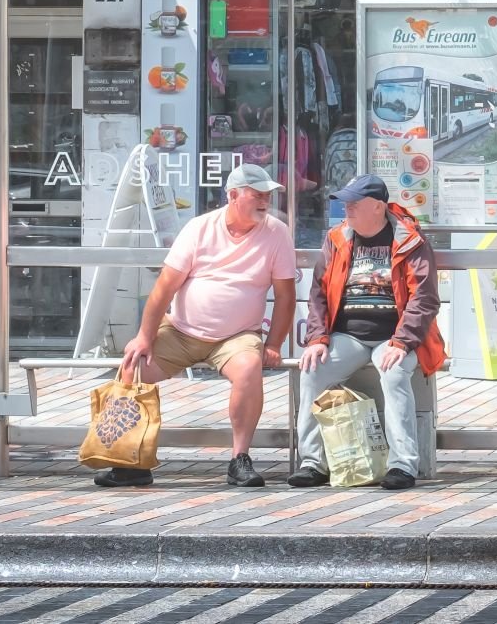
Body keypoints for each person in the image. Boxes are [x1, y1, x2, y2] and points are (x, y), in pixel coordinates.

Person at [114, 161, 297, 489]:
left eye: (267, 195)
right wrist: (144, 336)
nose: (265, 201)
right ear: (233, 195)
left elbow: (286, 296)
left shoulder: (277, 232)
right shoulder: (199, 228)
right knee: (133, 367)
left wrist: (273, 344)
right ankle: (132, 462)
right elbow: (164, 288)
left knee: (248, 368)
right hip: (181, 331)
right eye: (257, 194)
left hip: (237, 336)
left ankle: (240, 459)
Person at [292, 173, 441, 490]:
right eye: (345, 202)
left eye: (354, 203)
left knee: (395, 372)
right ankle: (313, 462)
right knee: (313, 369)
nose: (347, 208)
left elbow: (424, 298)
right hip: (348, 334)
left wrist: (402, 342)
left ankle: (403, 465)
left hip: (395, 336)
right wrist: (317, 338)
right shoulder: (337, 238)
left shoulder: (409, 240)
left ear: (378, 206)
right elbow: (318, 293)